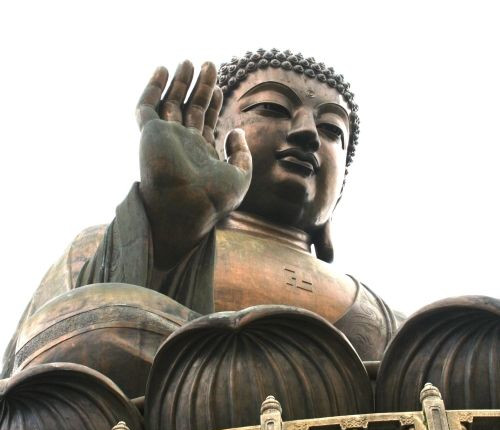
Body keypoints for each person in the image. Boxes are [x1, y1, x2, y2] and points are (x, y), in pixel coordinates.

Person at [2, 49, 400, 378]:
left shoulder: (377, 313)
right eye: (272, 108)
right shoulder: (97, 246)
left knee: (433, 346)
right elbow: (41, 355)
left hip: (315, 413)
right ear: (211, 137)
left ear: (341, 186)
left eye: (331, 130)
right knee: (82, 323)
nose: (307, 133)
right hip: (167, 409)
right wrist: (169, 229)